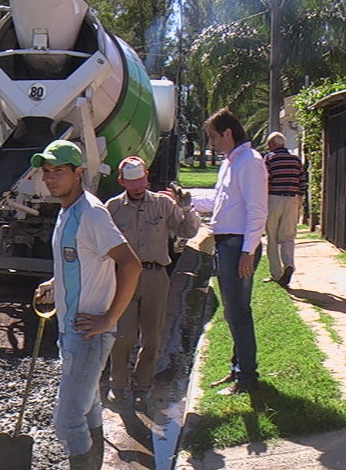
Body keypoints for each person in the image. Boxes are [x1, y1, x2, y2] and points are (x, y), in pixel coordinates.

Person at [32, 140, 141, 470]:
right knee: (90, 407)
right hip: (70, 331)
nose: (50, 179)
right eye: (47, 172)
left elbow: (130, 264)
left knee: (66, 420)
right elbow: (83, 260)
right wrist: (55, 284)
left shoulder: (91, 213)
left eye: (59, 172)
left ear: (78, 173)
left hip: (88, 334)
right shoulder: (67, 210)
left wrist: (110, 318)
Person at [105, 156, 201, 408]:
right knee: (122, 335)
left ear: (147, 177)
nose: (137, 187)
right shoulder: (112, 208)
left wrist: (187, 209)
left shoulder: (163, 204)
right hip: (124, 276)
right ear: (121, 181)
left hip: (156, 275)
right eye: (131, 182)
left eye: (140, 181)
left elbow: (188, 232)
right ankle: (118, 384)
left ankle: (142, 386)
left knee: (152, 336)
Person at [203, 108, 268, 395]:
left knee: (238, 312)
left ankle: (246, 376)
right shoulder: (231, 163)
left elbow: (257, 210)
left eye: (214, 137)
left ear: (228, 133)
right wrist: (183, 199)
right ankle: (238, 369)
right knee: (234, 311)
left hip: (237, 245)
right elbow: (220, 201)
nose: (212, 143)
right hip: (227, 244)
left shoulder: (250, 162)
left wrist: (248, 251)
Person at [262, 132, 307, 287]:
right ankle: (288, 264)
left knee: (272, 237)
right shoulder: (296, 160)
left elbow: (265, 181)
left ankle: (276, 273)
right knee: (288, 237)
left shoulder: (269, 158)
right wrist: (298, 203)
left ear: (272, 145)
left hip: (273, 199)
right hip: (292, 199)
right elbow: (302, 183)